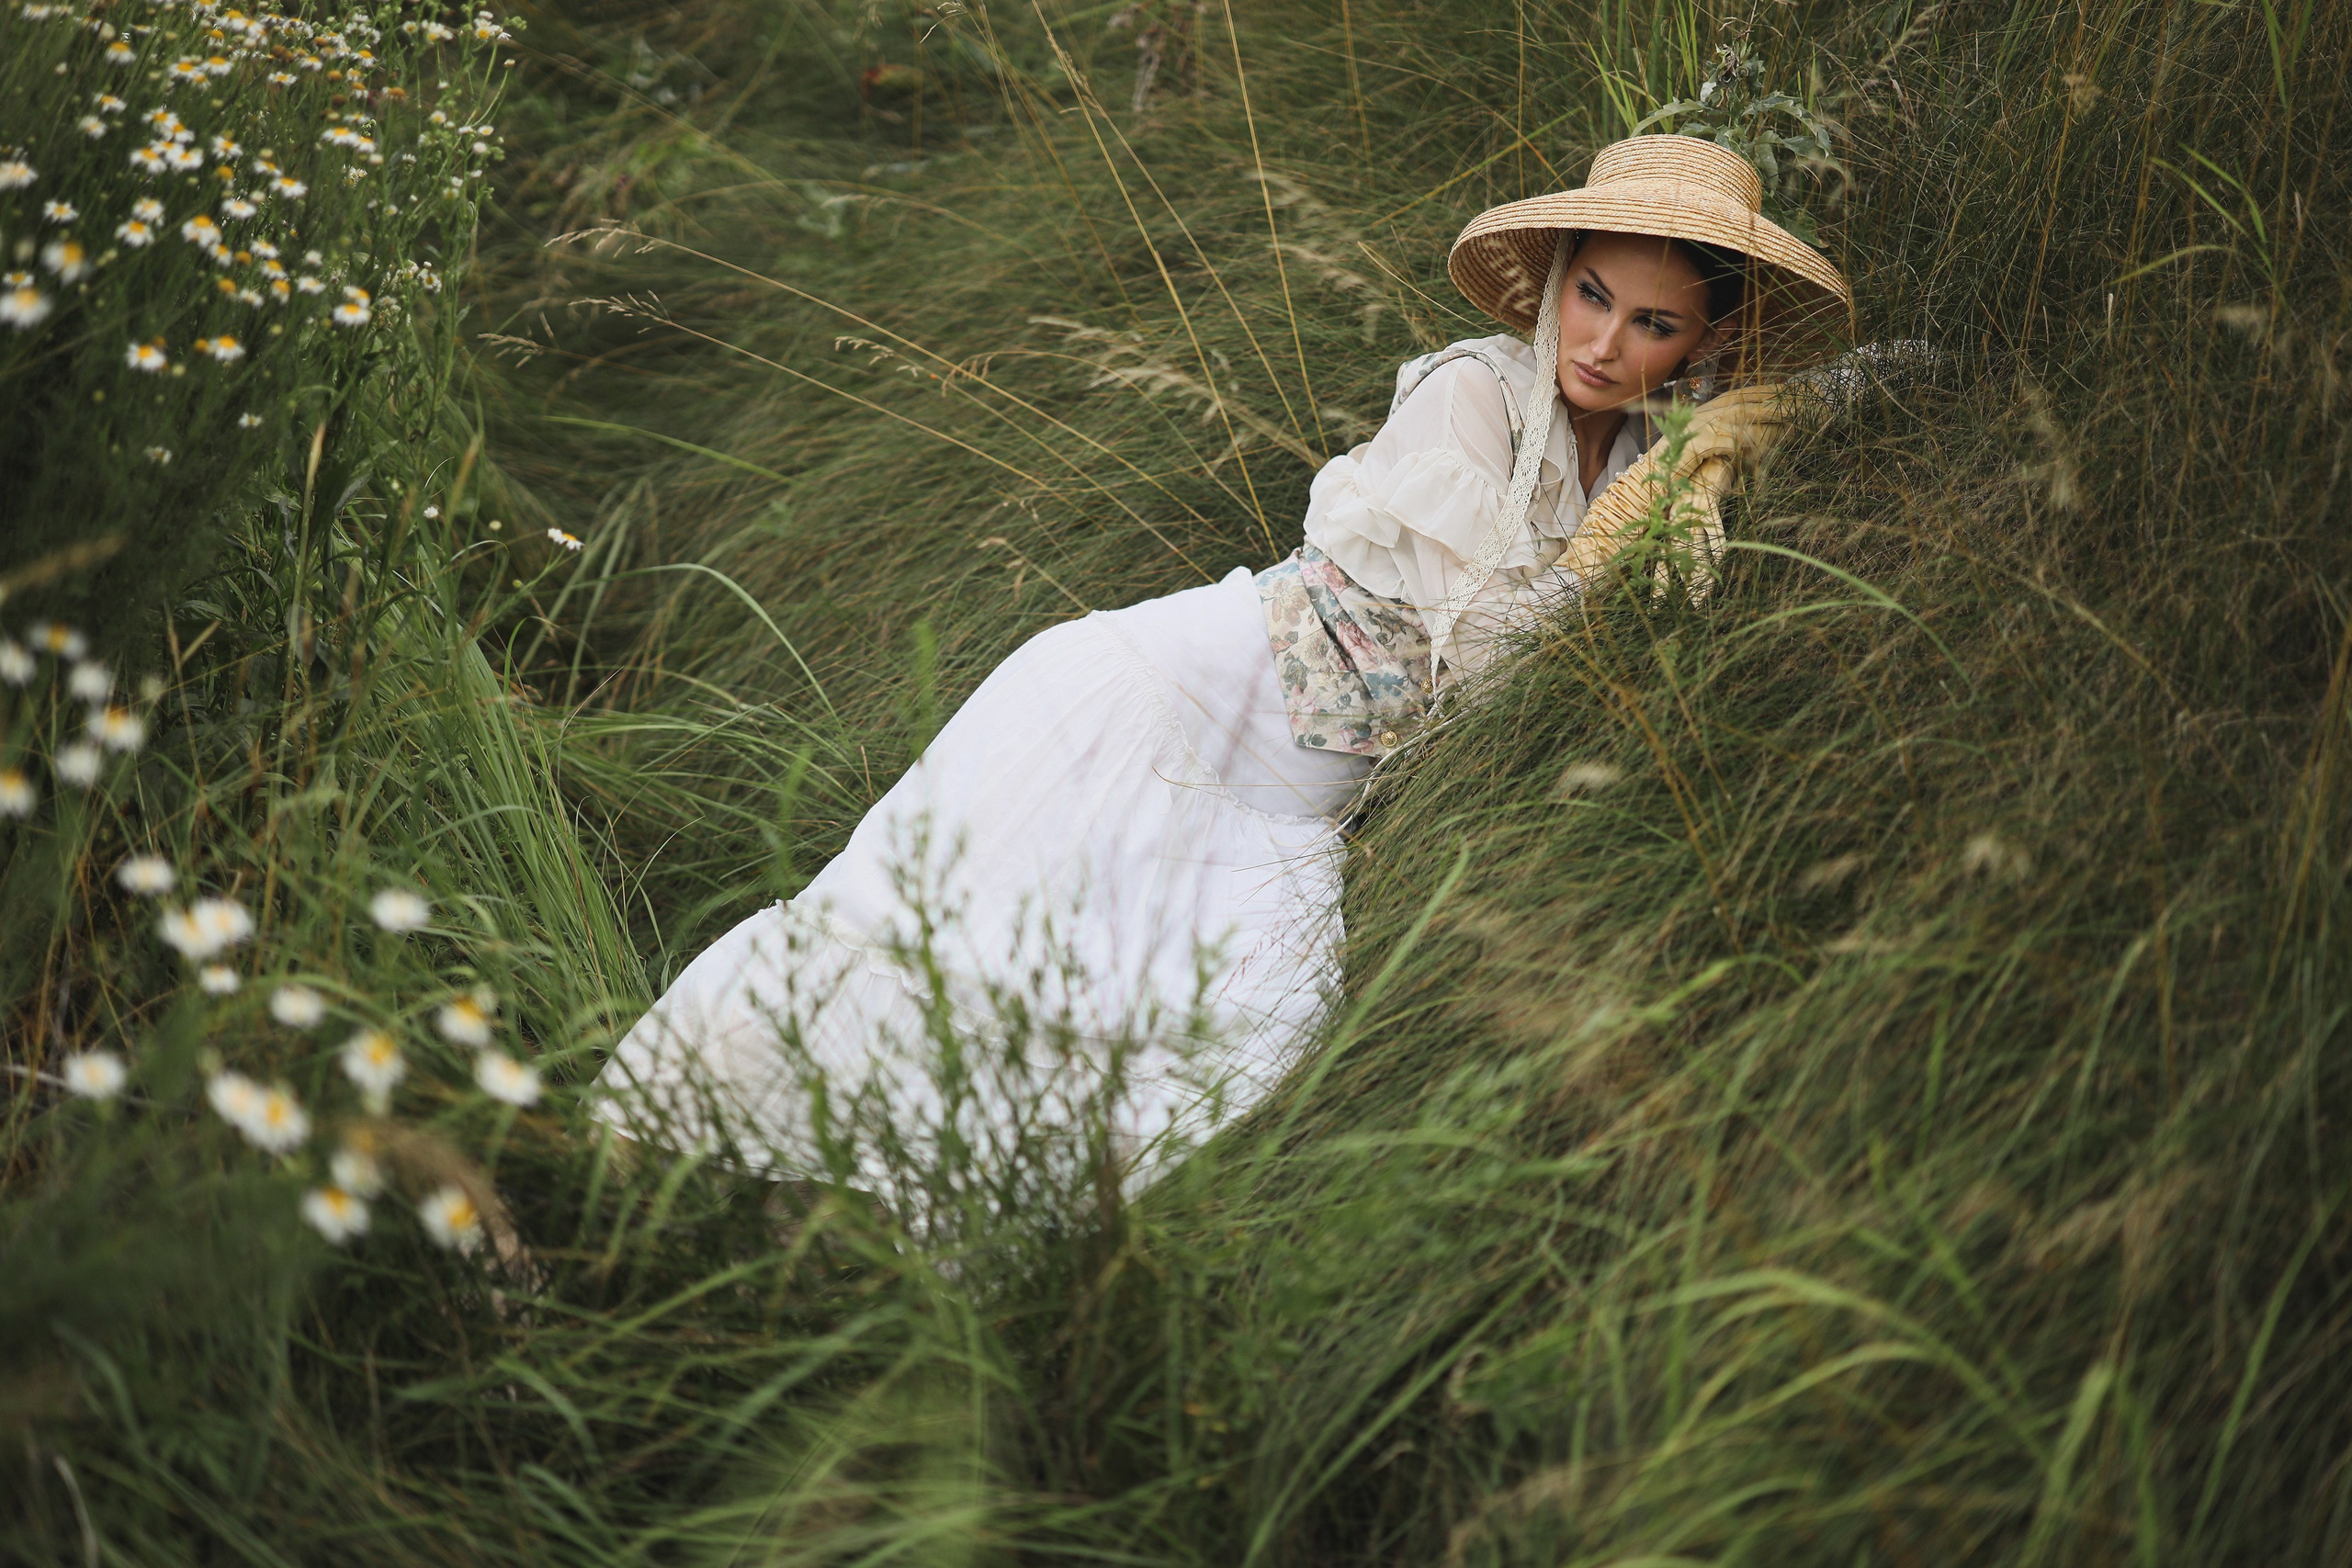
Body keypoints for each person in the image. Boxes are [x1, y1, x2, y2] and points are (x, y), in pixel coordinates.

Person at [590, 134, 1852, 1194]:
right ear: (1559, 278)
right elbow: (1478, 668)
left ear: (1703, 343)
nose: (1606, 343)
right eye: (1592, 297)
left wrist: (1684, 479)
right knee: (922, 945)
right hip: (1153, 707)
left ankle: (890, 1240)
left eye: (1654, 324)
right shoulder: (1472, 396)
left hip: (1278, 801)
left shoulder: (1632, 458)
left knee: (1214, 1032)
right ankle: (638, 1162)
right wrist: (1605, 556)